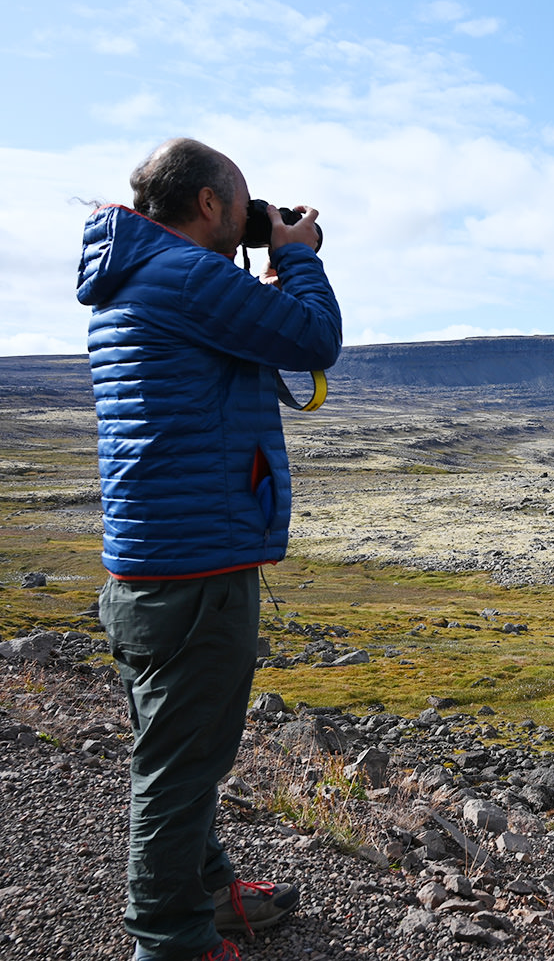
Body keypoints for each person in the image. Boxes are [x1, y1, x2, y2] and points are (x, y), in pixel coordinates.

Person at [76, 138, 342, 961]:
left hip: (161, 565)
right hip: (195, 576)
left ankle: (206, 893)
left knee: (182, 753)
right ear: (206, 205)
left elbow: (244, 348)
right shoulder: (189, 278)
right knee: (180, 770)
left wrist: (262, 254)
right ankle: (170, 942)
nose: (251, 214)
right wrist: (295, 257)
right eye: (244, 201)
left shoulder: (147, 278)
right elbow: (311, 339)